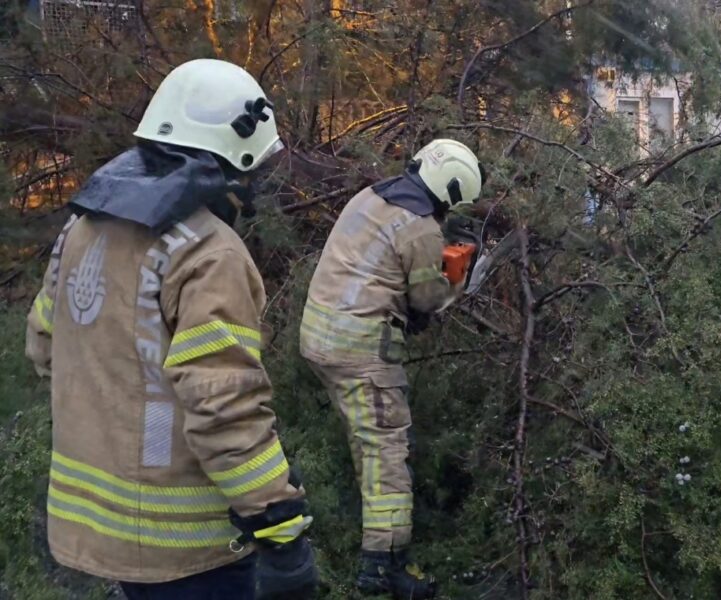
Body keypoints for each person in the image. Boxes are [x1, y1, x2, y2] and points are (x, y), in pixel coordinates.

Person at [25, 58, 317, 600]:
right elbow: (223, 406)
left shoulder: (81, 227)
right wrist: (278, 521)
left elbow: (45, 345)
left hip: (101, 524)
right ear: (237, 157)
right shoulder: (208, 251)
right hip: (186, 547)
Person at [300, 139, 486, 599]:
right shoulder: (419, 229)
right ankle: (383, 567)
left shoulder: (371, 196)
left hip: (321, 337)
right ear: (451, 189)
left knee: (366, 441)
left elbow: (381, 266)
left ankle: (373, 540)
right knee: (386, 450)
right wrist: (458, 278)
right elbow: (427, 298)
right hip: (360, 349)